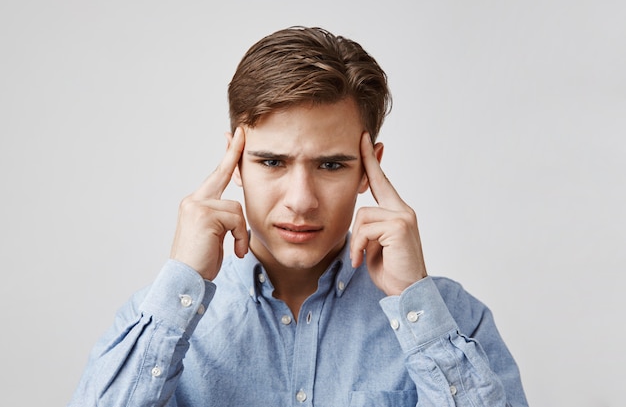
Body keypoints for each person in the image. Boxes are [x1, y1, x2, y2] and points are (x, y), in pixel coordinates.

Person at [68, 26, 528, 406]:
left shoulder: (450, 320)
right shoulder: (158, 316)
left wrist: (415, 302)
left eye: (331, 165)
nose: (301, 200)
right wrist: (182, 280)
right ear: (235, 162)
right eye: (272, 162)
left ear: (370, 169)